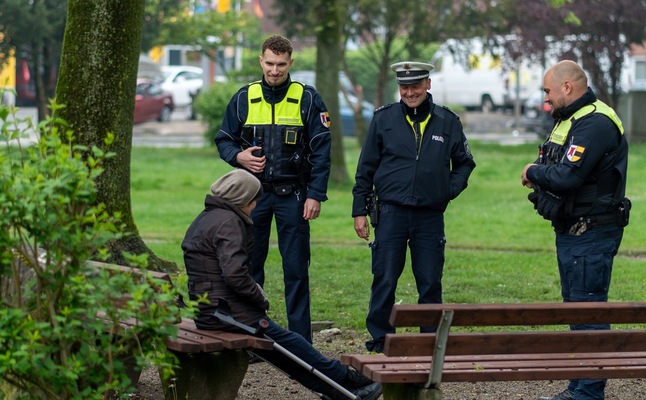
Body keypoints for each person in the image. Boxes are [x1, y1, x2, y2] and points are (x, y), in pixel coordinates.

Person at [182, 169, 381, 400]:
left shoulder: (207, 217)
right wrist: (259, 298)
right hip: (227, 314)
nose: (257, 205)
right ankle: (346, 384)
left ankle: (341, 387)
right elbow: (235, 275)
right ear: (242, 200)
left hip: (211, 310)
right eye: (255, 199)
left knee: (286, 348)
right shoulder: (229, 222)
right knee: (290, 347)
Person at [520, 60, 630, 400]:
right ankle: (579, 386)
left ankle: (588, 393)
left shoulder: (595, 123)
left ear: (567, 87)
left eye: (548, 91)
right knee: (576, 310)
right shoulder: (570, 121)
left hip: (591, 232)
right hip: (572, 231)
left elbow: (568, 176)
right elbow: (558, 166)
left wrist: (532, 171)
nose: (546, 98)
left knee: (588, 311)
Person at [351, 61, 476, 353]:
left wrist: (448, 190)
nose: (410, 92)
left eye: (416, 86)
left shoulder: (447, 121)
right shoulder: (383, 119)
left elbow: (465, 163)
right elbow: (365, 168)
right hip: (390, 213)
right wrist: (359, 210)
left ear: (428, 85)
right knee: (384, 278)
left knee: (430, 281)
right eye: (404, 87)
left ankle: (429, 340)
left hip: (430, 216)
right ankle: (382, 338)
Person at [215, 34, 331, 343]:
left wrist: (315, 195)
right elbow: (224, 138)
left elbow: (322, 150)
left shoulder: (307, 98)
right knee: (249, 269)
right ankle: (253, 337)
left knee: (296, 269)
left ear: (291, 63)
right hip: (252, 198)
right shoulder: (244, 97)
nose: (275, 71)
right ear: (260, 61)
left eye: (281, 64)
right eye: (270, 63)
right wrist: (236, 156)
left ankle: (300, 342)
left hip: (294, 196)